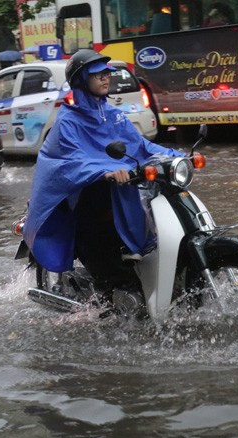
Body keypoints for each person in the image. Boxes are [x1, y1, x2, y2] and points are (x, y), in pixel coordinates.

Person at [22, 49, 184, 292]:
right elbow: (71, 160)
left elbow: (140, 146)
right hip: (88, 199)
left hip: (119, 193)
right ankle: (108, 298)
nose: (105, 78)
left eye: (107, 74)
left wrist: (178, 156)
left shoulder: (114, 116)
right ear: (81, 81)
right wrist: (104, 171)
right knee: (105, 256)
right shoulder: (69, 121)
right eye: (98, 75)